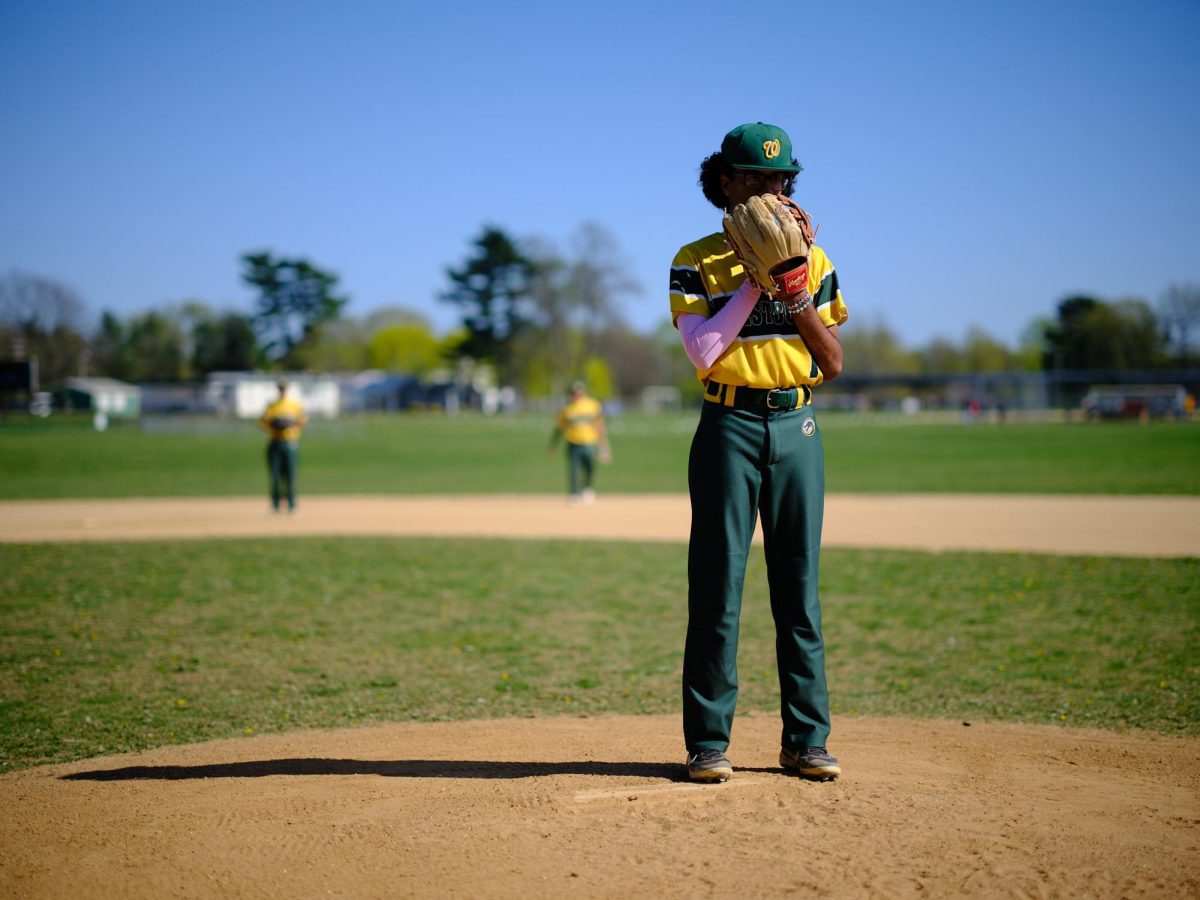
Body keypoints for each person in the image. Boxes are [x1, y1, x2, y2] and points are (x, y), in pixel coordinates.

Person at [669, 122, 848, 783]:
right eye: (753, 181)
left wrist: (794, 286)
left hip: (796, 428)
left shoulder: (817, 261)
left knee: (798, 593)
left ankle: (806, 740)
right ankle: (708, 744)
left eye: (778, 181)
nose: (769, 193)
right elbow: (703, 352)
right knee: (718, 588)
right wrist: (751, 280)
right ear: (724, 185)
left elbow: (830, 362)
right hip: (728, 427)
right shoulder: (695, 257)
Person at [547, 381, 611, 505]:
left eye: (578, 393)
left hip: (589, 441)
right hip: (573, 442)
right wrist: (553, 444)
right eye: (573, 394)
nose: (575, 396)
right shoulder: (567, 410)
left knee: (589, 466)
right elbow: (560, 428)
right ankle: (574, 493)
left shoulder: (592, 405)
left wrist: (604, 445)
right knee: (573, 468)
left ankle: (587, 488)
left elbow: (600, 425)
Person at [258, 375, 307, 516]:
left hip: (290, 442)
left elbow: (302, 421)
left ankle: (292, 504)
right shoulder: (272, 406)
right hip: (275, 441)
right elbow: (262, 422)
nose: (282, 390)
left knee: (290, 476)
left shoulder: (294, 404)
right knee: (275, 476)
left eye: (284, 388)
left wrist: (290, 424)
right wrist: (273, 424)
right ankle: (275, 505)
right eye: (280, 388)